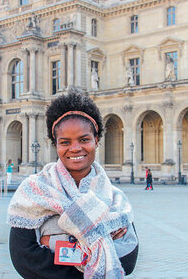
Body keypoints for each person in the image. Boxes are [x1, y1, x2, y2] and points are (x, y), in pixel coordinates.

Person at [8, 91, 138, 278]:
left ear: (96, 141)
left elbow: (129, 257)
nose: (75, 148)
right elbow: (24, 258)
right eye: (65, 142)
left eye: (84, 139)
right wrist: (102, 243)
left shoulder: (116, 198)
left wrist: (50, 242)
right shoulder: (33, 191)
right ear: (56, 144)